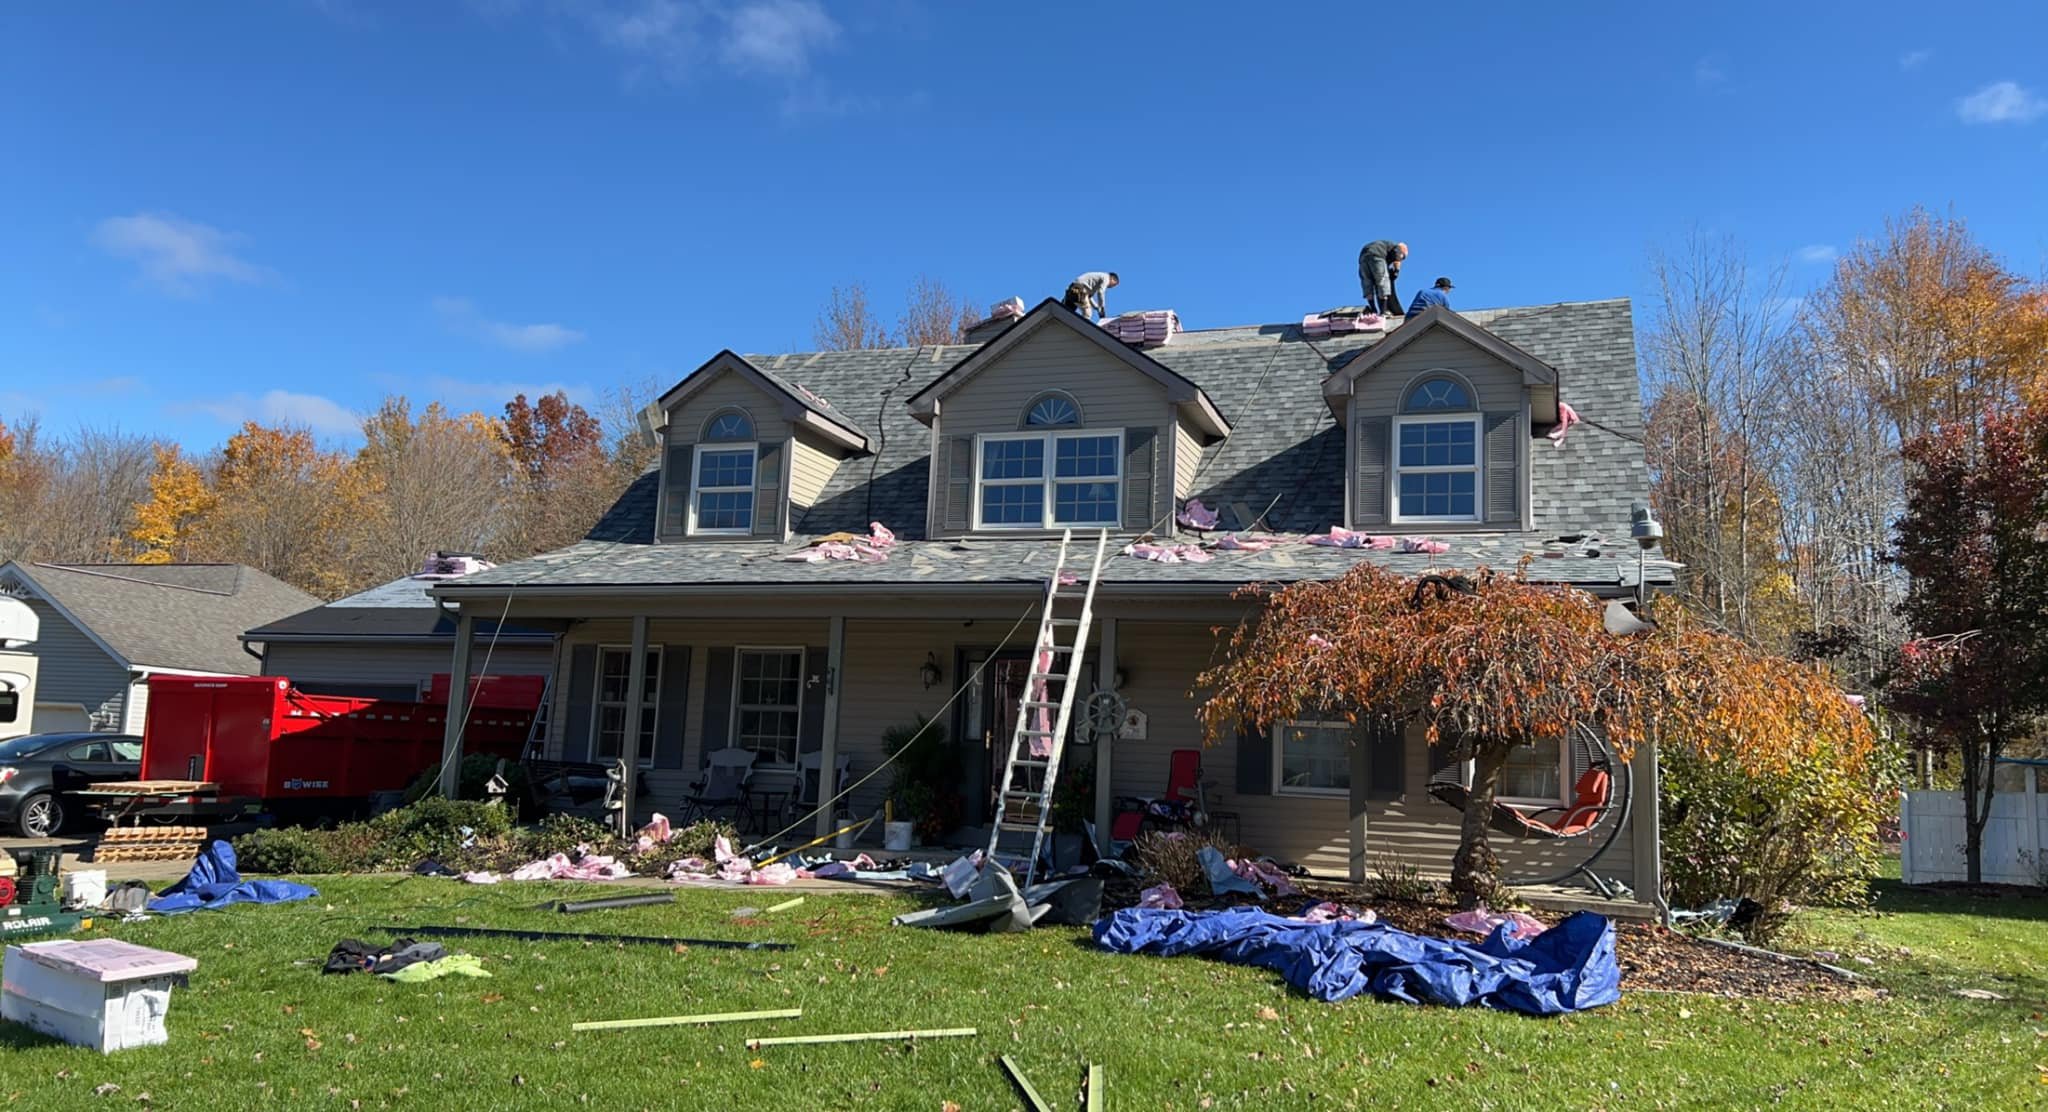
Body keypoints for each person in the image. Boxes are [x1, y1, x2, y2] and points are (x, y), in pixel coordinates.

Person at [1357, 240, 1408, 315]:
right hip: (1377, 255)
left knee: (1367, 283)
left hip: (1363, 256)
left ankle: (1373, 310)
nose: (1402, 259)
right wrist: (1396, 271)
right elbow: (1398, 258)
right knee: (1383, 282)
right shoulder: (1397, 248)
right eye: (1403, 257)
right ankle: (1383, 312)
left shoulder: (1388, 250)